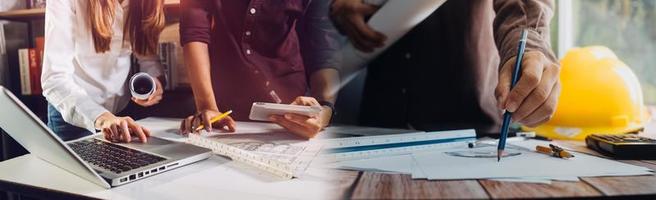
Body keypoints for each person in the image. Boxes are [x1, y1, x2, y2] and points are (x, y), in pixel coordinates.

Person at [330, 0, 560, 133]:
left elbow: (521, 5)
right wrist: (339, 7)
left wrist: (529, 46)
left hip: (468, 124)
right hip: (378, 122)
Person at [178, 0, 342, 138]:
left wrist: (324, 110)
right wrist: (207, 106)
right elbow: (194, 32)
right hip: (223, 105)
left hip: (292, 105)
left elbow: (323, 48)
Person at [42, 0, 166, 142]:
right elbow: (54, 79)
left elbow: (148, 58)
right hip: (73, 116)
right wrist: (103, 117)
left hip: (123, 113)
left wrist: (155, 82)